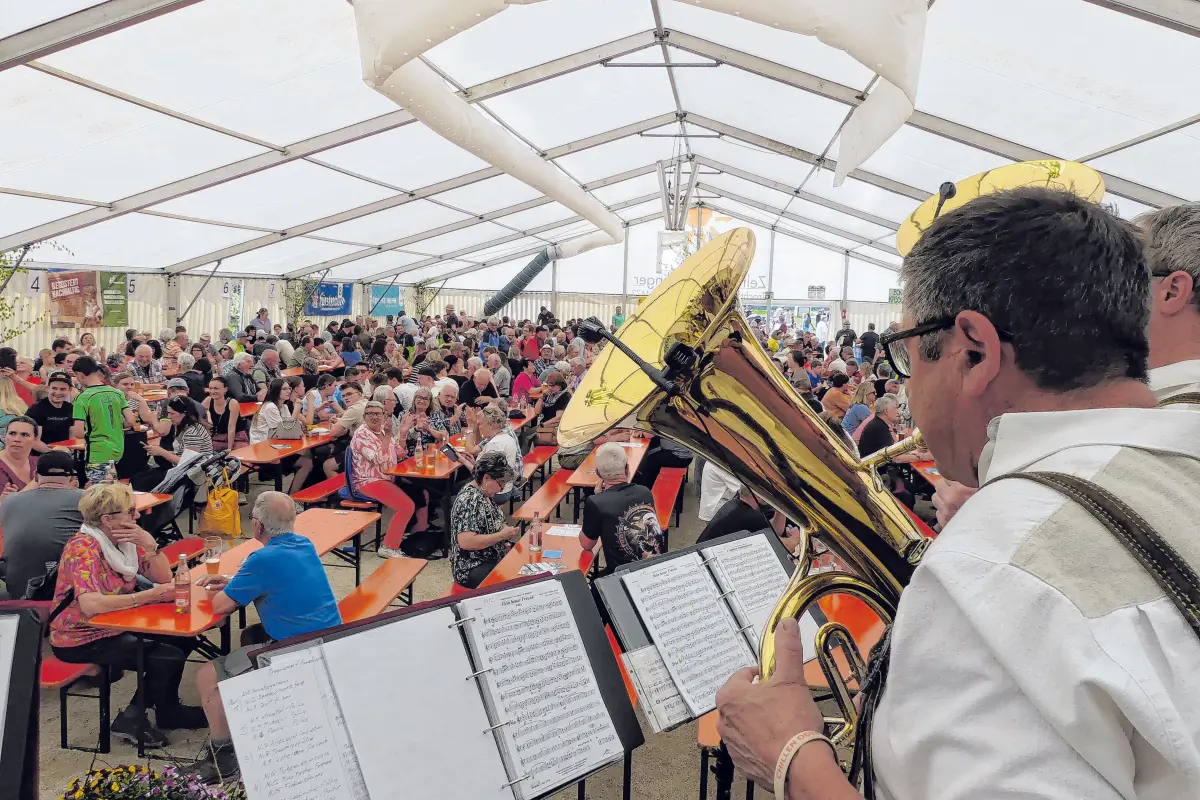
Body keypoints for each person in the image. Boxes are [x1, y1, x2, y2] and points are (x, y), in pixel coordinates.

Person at [716, 187, 1200, 800]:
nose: (909, 386)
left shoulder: (987, 572)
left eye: (908, 354)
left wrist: (789, 756)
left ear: (973, 351)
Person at [190, 492, 342, 781]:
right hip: (330, 637)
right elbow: (278, 577)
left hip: (299, 648)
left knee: (207, 676)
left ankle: (224, 760)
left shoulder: (261, 558)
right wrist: (236, 581)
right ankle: (257, 712)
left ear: (258, 525)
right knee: (249, 635)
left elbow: (220, 606)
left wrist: (230, 586)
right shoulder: (303, 544)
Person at [51, 483, 205, 747]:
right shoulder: (83, 548)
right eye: (130, 511)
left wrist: (151, 545)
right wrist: (148, 597)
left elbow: (163, 577)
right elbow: (90, 605)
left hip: (116, 624)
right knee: (166, 656)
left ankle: (167, 710)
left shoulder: (125, 543)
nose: (137, 516)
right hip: (80, 636)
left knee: (185, 639)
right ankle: (132, 717)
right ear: (107, 520)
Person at [0, 450, 81, 600]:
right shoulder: (85, 499)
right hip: (63, 593)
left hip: (16, 589)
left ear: (36, 475)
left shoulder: (8, 501)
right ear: (72, 477)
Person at [342, 401, 414, 559]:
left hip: (386, 477)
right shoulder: (362, 434)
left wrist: (402, 433)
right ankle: (388, 547)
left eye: (378, 413)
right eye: (370, 414)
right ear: (364, 417)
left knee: (419, 491)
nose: (374, 417)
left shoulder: (382, 430)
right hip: (368, 481)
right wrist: (389, 436)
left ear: (384, 416)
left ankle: (407, 533)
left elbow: (400, 453)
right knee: (406, 506)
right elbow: (378, 459)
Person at [578, 443, 664, 575]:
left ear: (598, 473)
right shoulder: (644, 492)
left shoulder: (596, 502)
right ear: (627, 468)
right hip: (655, 569)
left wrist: (599, 498)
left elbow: (587, 544)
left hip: (623, 576)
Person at [449, 451, 521, 589]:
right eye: (500, 483)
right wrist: (501, 535)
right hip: (473, 567)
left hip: (491, 558)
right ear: (486, 478)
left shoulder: (485, 493)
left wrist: (504, 529)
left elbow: (494, 520)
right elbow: (466, 542)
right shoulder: (469, 499)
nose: (501, 488)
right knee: (515, 582)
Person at [71, 357, 129, 484]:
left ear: (80, 374)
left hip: (97, 452)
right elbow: (130, 420)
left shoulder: (82, 398)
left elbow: (78, 433)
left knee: (100, 492)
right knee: (112, 486)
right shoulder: (117, 392)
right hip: (118, 447)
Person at [250, 379, 313, 493]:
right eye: (284, 389)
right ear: (276, 391)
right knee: (306, 462)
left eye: (289, 388)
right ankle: (293, 497)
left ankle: (295, 495)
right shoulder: (270, 407)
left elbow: (293, 428)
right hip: (263, 450)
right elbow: (286, 431)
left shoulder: (283, 407)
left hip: (277, 447)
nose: (288, 391)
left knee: (308, 455)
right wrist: (296, 411)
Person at [461, 405, 520, 506]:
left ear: (490, 425)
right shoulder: (506, 437)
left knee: (457, 492)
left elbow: (481, 476)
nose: (479, 427)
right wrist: (474, 462)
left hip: (496, 492)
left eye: (481, 424)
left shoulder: (494, 444)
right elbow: (493, 470)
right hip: (506, 487)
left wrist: (463, 461)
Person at [26, 371, 74, 451]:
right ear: (48, 389)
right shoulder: (36, 409)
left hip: (65, 455)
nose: (58, 392)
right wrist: (54, 454)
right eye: (54, 388)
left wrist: (69, 454)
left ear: (70, 390)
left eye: (63, 389)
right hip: (40, 457)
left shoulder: (71, 408)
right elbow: (34, 441)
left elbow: (73, 437)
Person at [204, 375, 245, 451]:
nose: (213, 391)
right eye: (210, 388)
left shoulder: (232, 403)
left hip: (236, 437)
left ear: (225, 389)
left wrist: (229, 449)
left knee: (235, 459)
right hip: (218, 437)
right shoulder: (208, 400)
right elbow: (196, 413)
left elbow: (231, 428)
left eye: (216, 388)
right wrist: (207, 424)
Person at [0, 416, 38, 499]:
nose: (17, 439)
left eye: (24, 435)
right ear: (4, 437)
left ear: (35, 440)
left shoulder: (39, 463)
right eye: (12, 433)